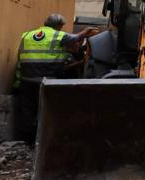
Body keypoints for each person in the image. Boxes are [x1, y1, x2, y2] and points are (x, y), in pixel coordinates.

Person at [13, 14, 101, 142]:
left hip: (27, 79)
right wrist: (86, 31)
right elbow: (75, 38)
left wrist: (16, 82)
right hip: (47, 80)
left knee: (28, 110)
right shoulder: (58, 35)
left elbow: (20, 58)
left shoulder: (27, 35)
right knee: (46, 111)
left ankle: (27, 141)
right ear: (59, 26)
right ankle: (42, 141)